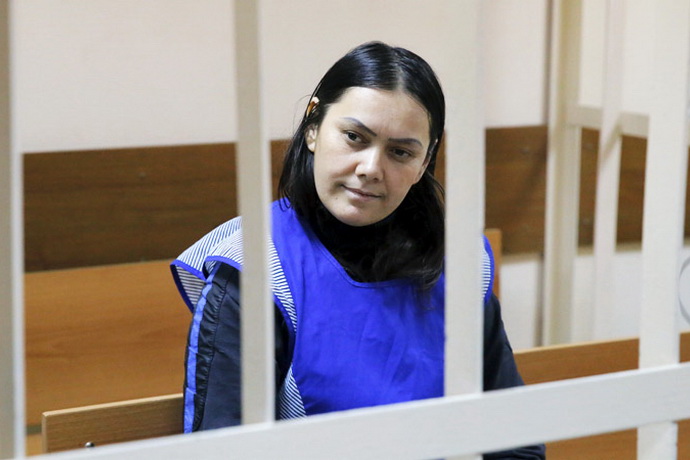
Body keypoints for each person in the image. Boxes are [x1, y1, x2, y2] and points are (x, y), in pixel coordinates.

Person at [171, 41, 546, 459]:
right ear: (313, 126)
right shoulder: (256, 267)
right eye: (354, 137)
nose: (370, 169)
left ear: (424, 162)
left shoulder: (459, 260)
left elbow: (515, 443)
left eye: (400, 152)